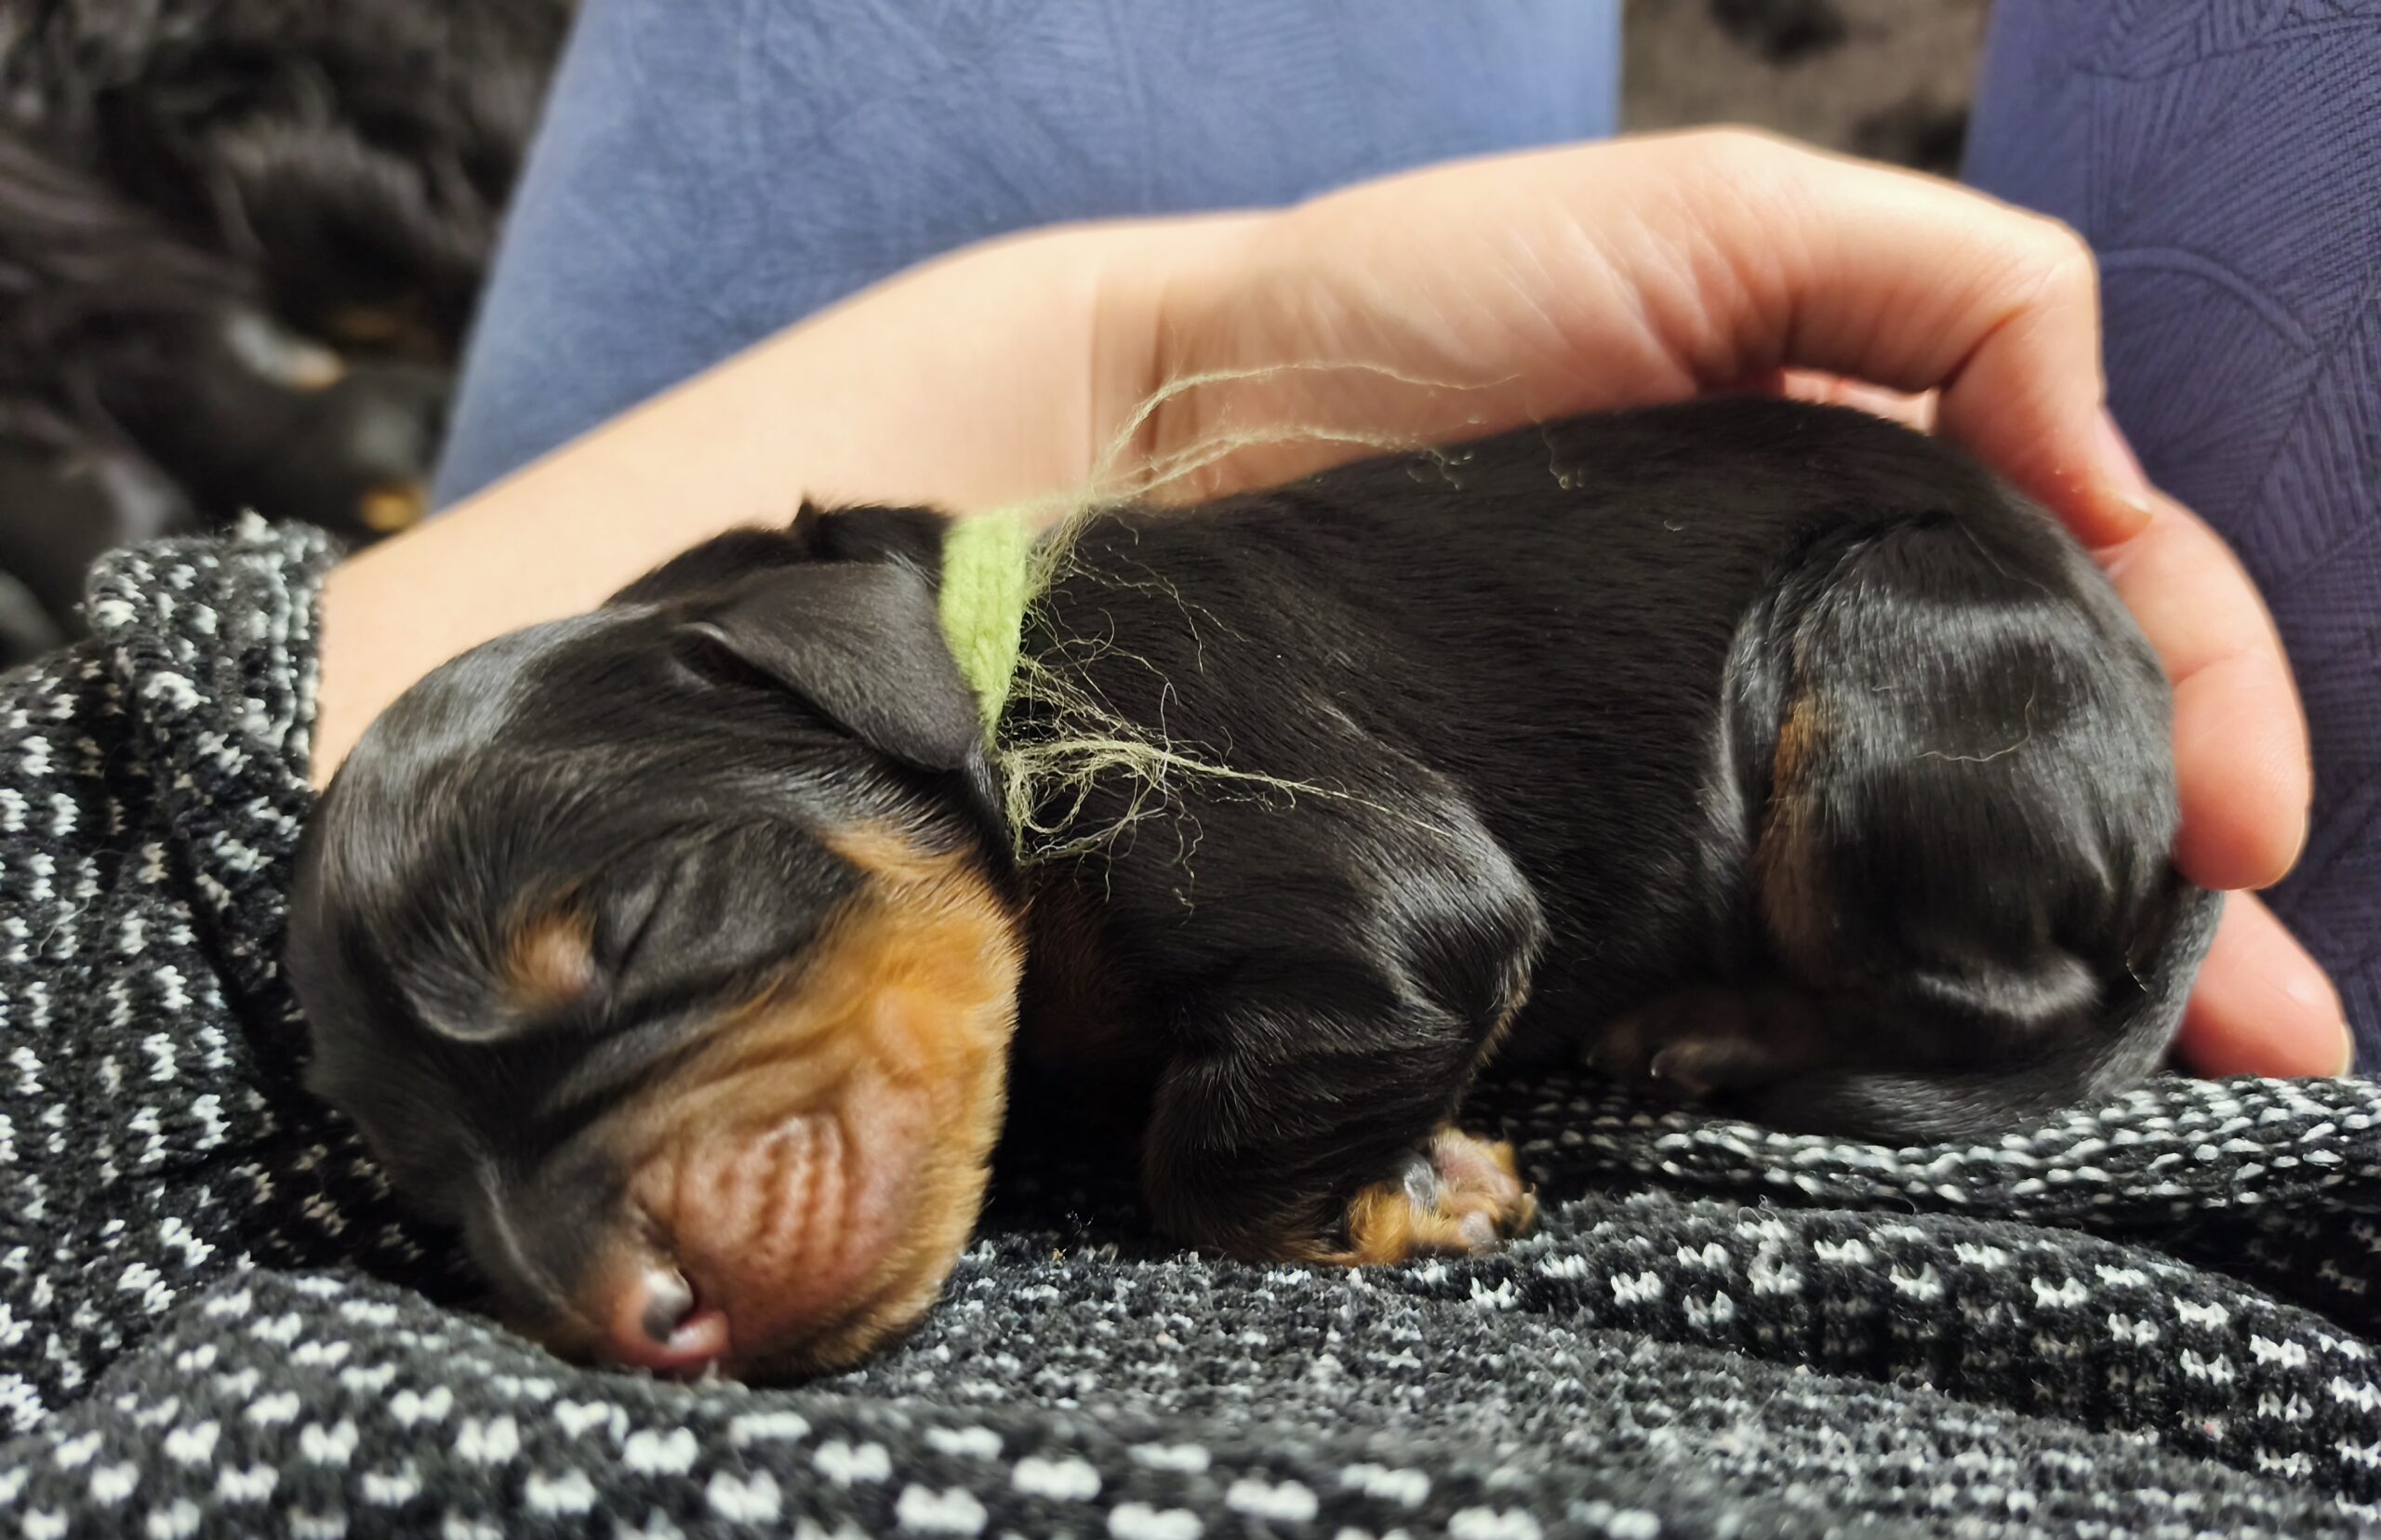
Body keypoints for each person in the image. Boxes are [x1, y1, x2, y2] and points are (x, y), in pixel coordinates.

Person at [310, 3, 2356, 1082]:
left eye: (624, 955)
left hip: (1865, 604)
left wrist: (1164, 355)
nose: (609, 1312)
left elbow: (1407, 936)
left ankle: (1967, 1006)